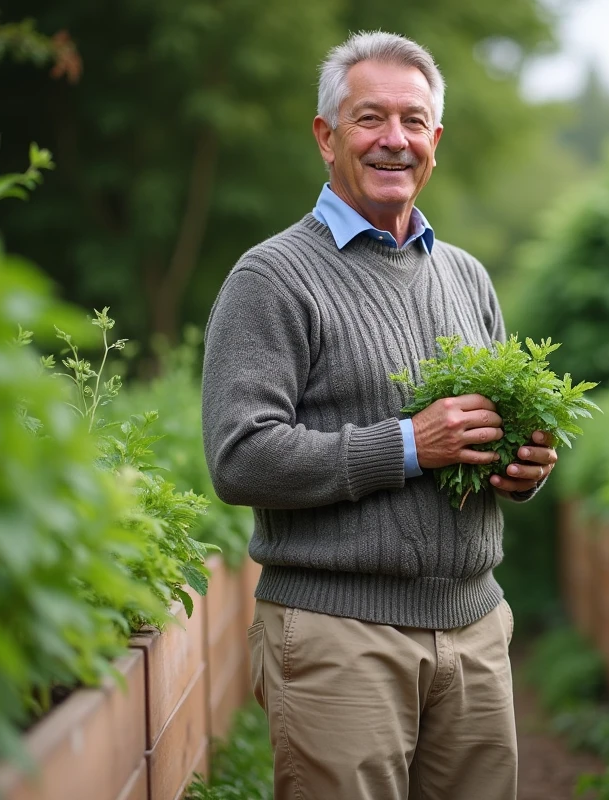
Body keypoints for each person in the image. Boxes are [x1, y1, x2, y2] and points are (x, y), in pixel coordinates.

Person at [200, 30, 556, 800]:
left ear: (435, 139)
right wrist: (407, 444)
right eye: (370, 119)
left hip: (475, 626)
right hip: (339, 635)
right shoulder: (272, 277)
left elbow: (482, 443)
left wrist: (518, 469)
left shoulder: (466, 276)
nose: (394, 139)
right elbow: (239, 457)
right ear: (327, 137)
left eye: (413, 120)